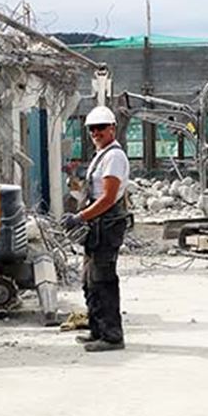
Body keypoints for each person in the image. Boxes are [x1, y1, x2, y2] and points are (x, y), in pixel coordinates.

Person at [62, 105, 131, 352]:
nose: (96, 133)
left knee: (103, 281)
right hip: (97, 226)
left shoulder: (113, 157)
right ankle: (97, 329)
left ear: (112, 128)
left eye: (101, 128)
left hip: (107, 225)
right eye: (92, 129)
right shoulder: (102, 155)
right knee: (90, 280)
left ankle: (112, 336)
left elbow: (108, 198)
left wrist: (80, 217)